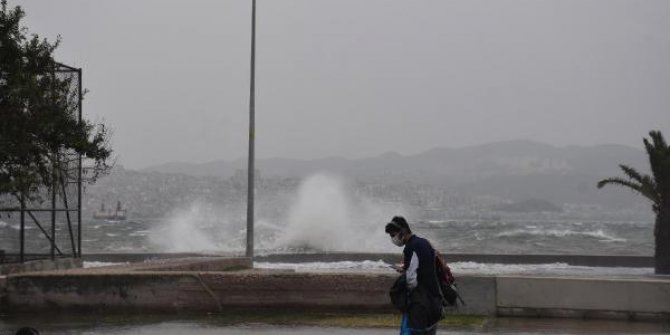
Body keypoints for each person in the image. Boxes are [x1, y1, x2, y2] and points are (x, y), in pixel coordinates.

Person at [385, 215, 442, 335]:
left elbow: (412, 279)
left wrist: (405, 281)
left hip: (420, 304)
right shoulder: (424, 242)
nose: (393, 238)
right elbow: (427, 266)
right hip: (434, 301)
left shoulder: (411, 247)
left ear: (403, 232)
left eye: (393, 235)